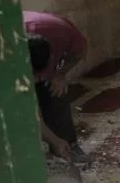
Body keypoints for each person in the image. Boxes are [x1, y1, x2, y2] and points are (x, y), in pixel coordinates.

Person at [23, 12, 91, 165]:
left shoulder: (62, 32)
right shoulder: (2, 54)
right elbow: (23, 109)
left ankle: (69, 145)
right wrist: (53, 140)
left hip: (45, 58)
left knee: (56, 90)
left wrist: (60, 74)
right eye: (34, 75)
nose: (37, 78)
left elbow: (80, 51)